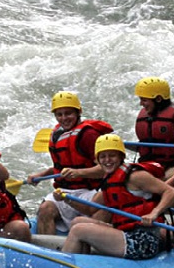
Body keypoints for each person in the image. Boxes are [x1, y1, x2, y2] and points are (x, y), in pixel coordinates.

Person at [61, 134, 174, 259]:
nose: (107, 160)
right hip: (126, 231)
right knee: (77, 222)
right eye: (103, 156)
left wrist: (154, 213)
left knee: (78, 230)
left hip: (145, 240)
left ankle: (64, 267)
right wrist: (67, 199)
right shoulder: (110, 180)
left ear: (121, 156)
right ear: (97, 160)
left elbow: (171, 192)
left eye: (112, 155)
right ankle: (82, 263)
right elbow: (90, 209)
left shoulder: (135, 176)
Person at [26, 91, 113, 235]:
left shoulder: (88, 135)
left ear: (79, 112)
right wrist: (40, 175)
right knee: (45, 209)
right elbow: (60, 167)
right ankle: (48, 253)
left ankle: (93, 248)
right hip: (65, 191)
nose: (64, 118)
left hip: (90, 192)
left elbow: (107, 169)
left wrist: (79, 173)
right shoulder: (57, 134)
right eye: (59, 114)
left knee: (104, 212)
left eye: (68, 113)